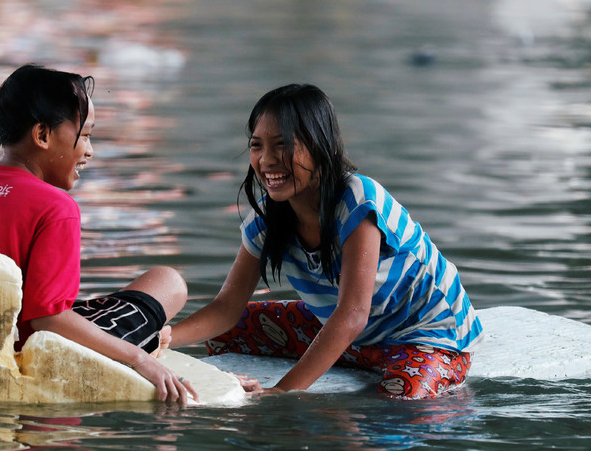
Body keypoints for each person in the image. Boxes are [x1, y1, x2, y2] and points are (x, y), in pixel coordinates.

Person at [0, 64, 196, 404]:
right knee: (168, 281)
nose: (90, 150)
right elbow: (47, 319)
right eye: (84, 135)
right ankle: (148, 343)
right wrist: (138, 359)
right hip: (25, 360)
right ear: (42, 135)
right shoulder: (56, 207)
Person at [169, 84, 483, 399]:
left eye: (282, 145)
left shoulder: (358, 201)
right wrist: (160, 338)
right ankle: (360, 360)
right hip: (357, 342)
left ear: (321, 147)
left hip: (426, 336)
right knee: (230, 334)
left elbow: (352, 315)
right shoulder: (267, 217)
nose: (266, 160)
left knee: (397, 401)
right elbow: (226, 308)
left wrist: (280, 391)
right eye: (256, 145)